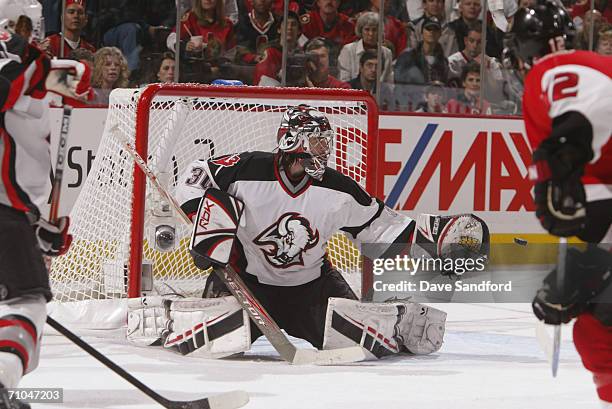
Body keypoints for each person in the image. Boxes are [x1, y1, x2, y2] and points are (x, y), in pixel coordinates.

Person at [127, 104, 489, 360]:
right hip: (246, 284)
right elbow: (193, 177)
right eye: (316, 142)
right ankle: (164, 315)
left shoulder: (338, 189)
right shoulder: (246, 170)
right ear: (292, 142)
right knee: (214, 340)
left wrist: (433, 239)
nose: (324, 150)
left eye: (325, 142)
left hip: (312, 288)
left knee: (354, 342)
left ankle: (399, 321)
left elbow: (381, 227)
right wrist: (210, 225)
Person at [505, 1, 612, 406]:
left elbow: (584, 114)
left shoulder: (546, 72)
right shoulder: (599, 62)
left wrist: (562, 150)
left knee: (597, 328)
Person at [0, 4, 91, 407]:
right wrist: (47, 72)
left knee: (19, 325)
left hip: (13, 211)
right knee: (27, 302)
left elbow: (77, 80)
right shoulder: (17, 56)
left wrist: (34, 226)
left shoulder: (28, 63)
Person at [394, 17, 449, 110]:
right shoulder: (407, 56)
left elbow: (442, 88)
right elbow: (399, 85)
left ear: (440, 34)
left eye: (435, 30)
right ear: (422, 32)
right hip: (409, 106)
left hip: (432, 108)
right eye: (428, 29)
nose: (431, 32)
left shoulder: (443, 61)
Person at [166, 0, 236, 61]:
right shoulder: (190, 18)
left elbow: (230, 52)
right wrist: (183, 46)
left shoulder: (227, 23)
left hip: (218, 70)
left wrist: (220, 64)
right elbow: (171, 39)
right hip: (193, 68)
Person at [337, 12, 394, 84]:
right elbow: (344, 80)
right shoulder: (348, 50)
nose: (371, 34)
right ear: (361, 30)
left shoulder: (387, 53)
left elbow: (389, 81)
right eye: (367, 29)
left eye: (374, 30)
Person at [234, 0, 280, 64]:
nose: (262, 1)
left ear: (272, 2)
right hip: (247, 69)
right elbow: (240, 51)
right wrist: (252, 58)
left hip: (273, 68)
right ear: (252, 2)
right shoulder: (243, 22)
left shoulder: (278, 23)